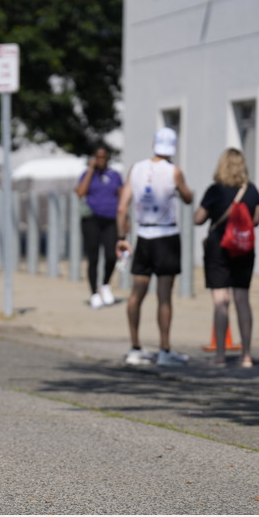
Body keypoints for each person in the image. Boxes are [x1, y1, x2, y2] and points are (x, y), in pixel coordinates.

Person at [115, 127, 193, 366]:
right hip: (166, 235)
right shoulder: (174, 171)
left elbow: (122, 207)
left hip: (143, 235)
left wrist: (122, 236)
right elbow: (188, 198)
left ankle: (135, 347)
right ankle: (164, 349)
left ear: (153, 144)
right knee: (164, 297)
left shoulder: (136, 169)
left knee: (136, 293)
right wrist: (181, 188)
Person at [193, 148, 259, 367]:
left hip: (218, 248)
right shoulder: (251, 190)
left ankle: (220, 355)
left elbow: (198, 219)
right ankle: (247, 355)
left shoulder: (214, 190)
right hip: (244, 248)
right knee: (242, 299)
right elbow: (257, 219)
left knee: (220, 301)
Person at [75, 145, 123, 308]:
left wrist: (125, 219)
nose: (101, 160)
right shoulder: (87, 174)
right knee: (93, 258)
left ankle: (105, 284)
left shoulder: (114, 175)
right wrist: (90, 170)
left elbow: (122, 196)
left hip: (110, 220)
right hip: (92, 220)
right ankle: (94, 293)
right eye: (98, 157)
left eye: (104, 157)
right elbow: (80, 192)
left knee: (111, 255)